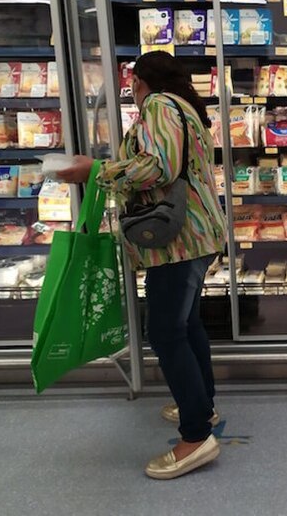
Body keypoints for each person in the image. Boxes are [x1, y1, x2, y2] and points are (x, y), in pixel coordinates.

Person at [57, 51, 227, 480]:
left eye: (131, 82)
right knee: (185, 324)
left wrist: (94, 170)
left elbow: (159, 167)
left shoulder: (159, 106)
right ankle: (201, 406)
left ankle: (195, 438)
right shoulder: (187, 108)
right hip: (198, 232)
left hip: (179, 239)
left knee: (164, 331)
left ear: (140, 82)